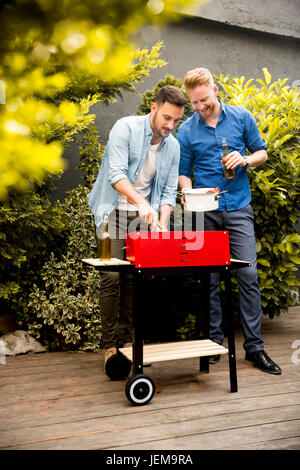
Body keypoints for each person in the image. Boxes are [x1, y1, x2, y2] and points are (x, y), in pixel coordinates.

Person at [177, 67, 281, 374]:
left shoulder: (242, 117)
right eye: (194, 103)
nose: (199, 107)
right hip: (204, 211)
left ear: (215, 90)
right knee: (209, 279)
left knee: (248, 276)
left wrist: (245, 159)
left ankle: (255, 349)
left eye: (204, 100)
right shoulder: (187, 130)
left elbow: (262, 152)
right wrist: (186, 191)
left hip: (238, 208)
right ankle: (212, 344)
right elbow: (184, 172)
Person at [88, 85, 187, 379]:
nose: (170, 126)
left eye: (176, 121)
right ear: (154, 108)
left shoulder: (173, 146)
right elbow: (116, 175)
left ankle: (132, 343)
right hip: (111, 212)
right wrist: (143, 203)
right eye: (167, 118)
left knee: (135, 278)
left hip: (144, 218)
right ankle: (109, 347)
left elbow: (168, 192)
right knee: (110, 276)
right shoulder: (125, 129)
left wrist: (163, 225)